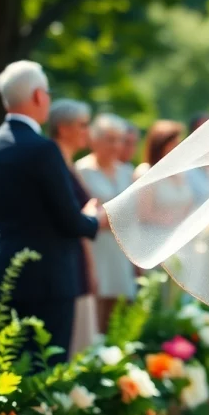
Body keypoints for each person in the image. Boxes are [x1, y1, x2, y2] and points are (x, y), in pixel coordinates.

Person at [0, 61, 106, 364]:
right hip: (50, 279)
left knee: (7, 369)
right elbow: (68, 219)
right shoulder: (43, 150)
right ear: (38, 96)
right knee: (46, 370)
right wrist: (93, 219)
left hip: (4, 274)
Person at [48, 99, 101, 356]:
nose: (87, 131)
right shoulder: (57, 165)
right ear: (63, 127)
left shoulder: (66, 163)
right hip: (71, 260)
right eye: (82, 125)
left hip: (78, 256)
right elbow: (74, 220)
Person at [76, 114, 136, 330]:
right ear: (95, 139)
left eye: (118, 139)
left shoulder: (127, 172)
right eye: (109, 139)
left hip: (120, 247)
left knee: (120, 309)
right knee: (95, 309)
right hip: (95, 247)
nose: (115, 145)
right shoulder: (81, 170)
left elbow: (133, 213)